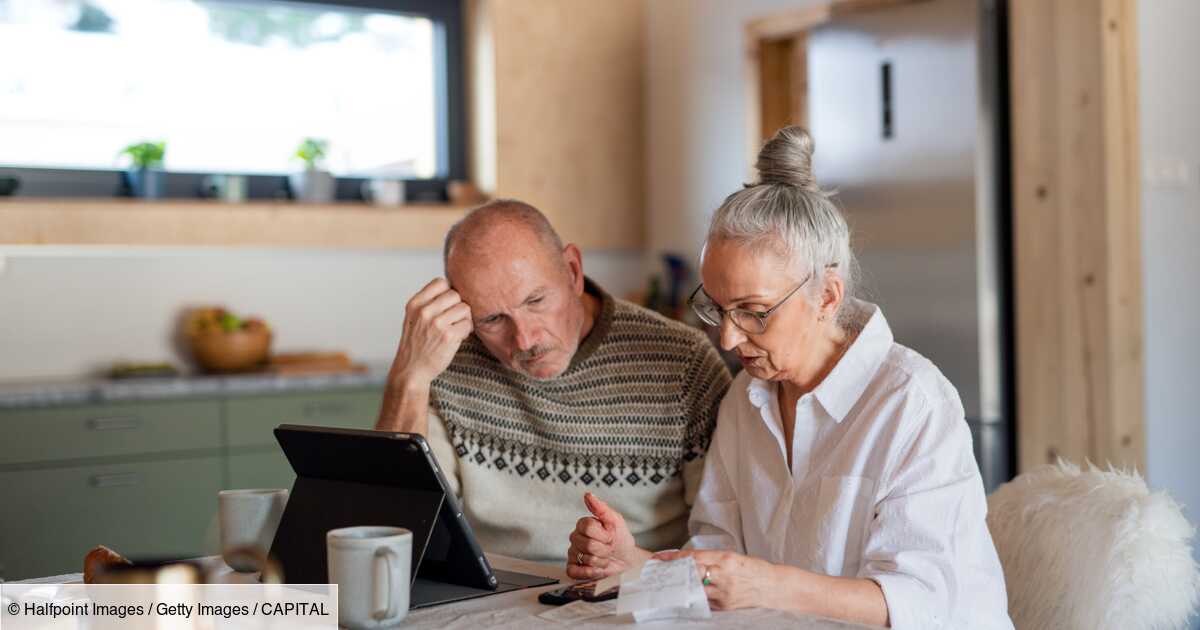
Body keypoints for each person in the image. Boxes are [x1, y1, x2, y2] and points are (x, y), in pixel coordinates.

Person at [565, 127, 1013, 629]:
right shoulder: (745, 398)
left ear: (826, 296)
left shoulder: (912, 403)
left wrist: (769, 584)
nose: (729, 340)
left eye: (754, 312)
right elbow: (720, 563)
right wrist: (636, 565)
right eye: (716, 308)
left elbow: (919, 601)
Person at [375, 199, 731, 563]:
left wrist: (635, 563)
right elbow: (393, 528)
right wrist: (409, 377)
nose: (525, 340)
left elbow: (724, 543)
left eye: (536, 300)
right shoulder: (446, 359)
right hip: (492, 596)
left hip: (636, 593)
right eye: (493, 319)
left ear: (573, 271)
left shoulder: (684, 361)